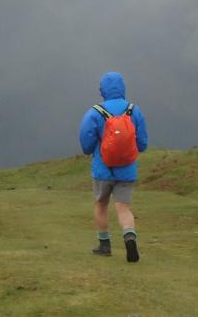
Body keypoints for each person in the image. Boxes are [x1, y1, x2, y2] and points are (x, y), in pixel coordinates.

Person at [78, 71, 147, 262]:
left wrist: (92, 150)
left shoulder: (95, 112)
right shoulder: (134, 110)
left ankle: (104, 245)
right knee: (123, 207)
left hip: (102, 169)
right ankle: (129, 236)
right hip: (127, 169)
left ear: (103, 90)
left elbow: (86, 142)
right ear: (122, 88)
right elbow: (142, 143)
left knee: (101, 204)